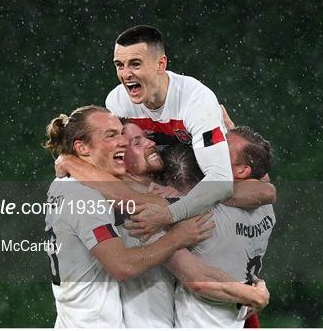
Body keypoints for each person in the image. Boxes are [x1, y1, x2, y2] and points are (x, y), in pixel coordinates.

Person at [42, 105, 215, 327]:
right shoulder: (83, 196)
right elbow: (122, 266)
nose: (122, 141)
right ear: (82, 147)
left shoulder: (62, 186)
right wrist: (177, 238)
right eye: (111, 135)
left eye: (121, 134)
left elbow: (127, 195)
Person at [110, 25, 235, 233]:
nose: (126, 74)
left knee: (256, 191)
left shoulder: (196, 100)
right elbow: (114, 167)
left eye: (135, 64)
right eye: (119, 65)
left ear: (161, 64)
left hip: (203, 194)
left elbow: (221, 182)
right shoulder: (117, 102)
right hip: (164, 190)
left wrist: (169, 214)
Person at [161, 126, 276, 328]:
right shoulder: (266, 208)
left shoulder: (204, 211)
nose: (215, 149)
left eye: (224, 148)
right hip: (234, 320)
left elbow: (198, 281)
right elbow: (263, 177)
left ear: (242, 170)